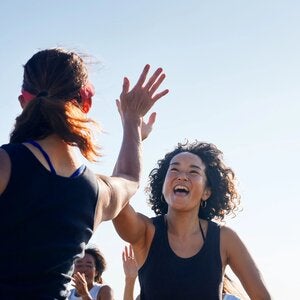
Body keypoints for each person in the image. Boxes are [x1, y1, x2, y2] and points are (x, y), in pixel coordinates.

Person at [0, 48, 168, 299]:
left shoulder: (5, 164)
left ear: (24, 102)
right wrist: (132, 121)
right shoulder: (95, 192)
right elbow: (129, 177)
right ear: (86, 103)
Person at [113, 140, 272, 299]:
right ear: (163, 185)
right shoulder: (146, 231)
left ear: (207, 192)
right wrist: (134, 131)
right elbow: (115, 198)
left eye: (193, 172)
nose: (182, 176)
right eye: (174, 169)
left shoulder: (225, 239)